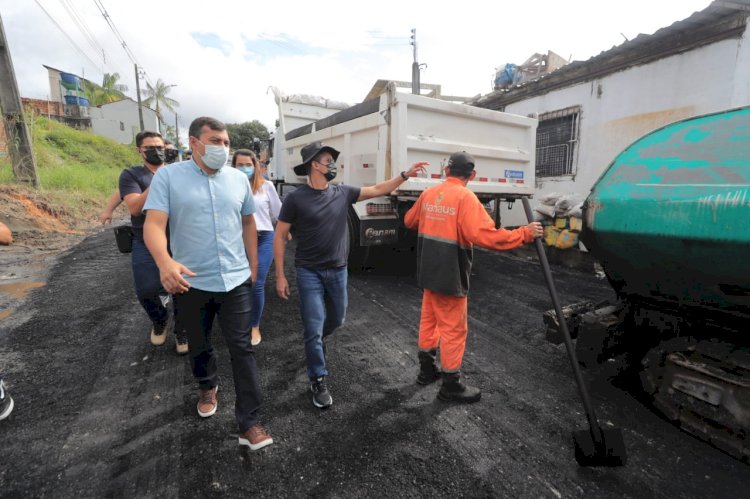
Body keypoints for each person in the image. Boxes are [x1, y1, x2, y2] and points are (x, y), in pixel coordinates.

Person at [144, 116, 272, 451]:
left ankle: (250, 422)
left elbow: (247, 222)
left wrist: (252, 264)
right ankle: (207, 384)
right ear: (194, 143)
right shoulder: (169, 178)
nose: (223, 148)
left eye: (226, 142)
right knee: (199, 346)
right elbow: (154, 224)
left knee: (242, 349)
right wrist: (164, 262)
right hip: (191, 283)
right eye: (215, 141)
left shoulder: (237, 180)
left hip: (235, 280)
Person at [274, 141, 426, 409]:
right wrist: (280, 276)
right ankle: (318, 378)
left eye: (333, 160)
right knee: (312, 326)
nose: (332, 165)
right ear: (314, 165)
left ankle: (317, 341)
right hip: (308, 271)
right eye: (327, 160)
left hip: (338, 271)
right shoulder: (295, 199)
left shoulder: (343, 192)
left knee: (337, 319)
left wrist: (405, 175)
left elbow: (378, 189)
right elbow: (279, 235)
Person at [403, 151, 543, 403]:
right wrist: (524, 233)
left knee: (430, 320)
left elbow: (409, 220)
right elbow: (485, 236)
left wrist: (434, 218)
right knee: (454, 330)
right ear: (472, 175)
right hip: (450, 274)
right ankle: (451, 385)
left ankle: (426, 371)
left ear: (446, 171)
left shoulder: (429, 194)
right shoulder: (465, 197)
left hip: (428, 271)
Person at [117, 131, 185, 351]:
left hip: (179, 238)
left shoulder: (179, 172)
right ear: (140, 150)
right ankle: (159, 319)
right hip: (144, 240)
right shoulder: (131, 175)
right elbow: (135, 207)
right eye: (150, 147)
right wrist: (159, 179)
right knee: (146, 289)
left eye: (160, 146)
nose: (157, 151)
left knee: (183, 288)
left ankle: (182, 330)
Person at [232, 149, 282, 346]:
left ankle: (254, 325)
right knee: (238, 282)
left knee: (256, 281)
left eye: (248, 164)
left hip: (264, 238)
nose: (244, 168)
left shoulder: (267, 186)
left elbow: (280, 213)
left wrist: (284, 232)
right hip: (238, 240)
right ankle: (237, 319)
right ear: (233, 167)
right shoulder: (229, 187)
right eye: (240, 165)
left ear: (256, 166)